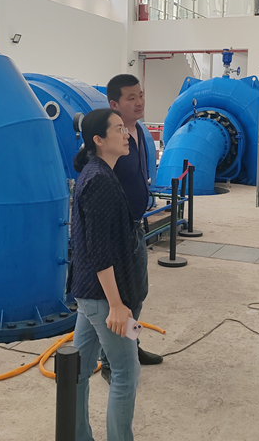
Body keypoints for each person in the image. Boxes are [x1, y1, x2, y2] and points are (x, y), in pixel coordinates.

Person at [70, 108, 149, 441]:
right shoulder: (99, 180)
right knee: (126, 372)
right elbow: (100, 249)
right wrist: (117, 305)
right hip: (104, 297)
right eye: (118, 129)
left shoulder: (98, 172)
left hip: (91, 295)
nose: (126, 134)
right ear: (99, 140)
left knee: (77, 371)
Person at [102, 74, 162, 383]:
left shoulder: (138, 131)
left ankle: (131, 346)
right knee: (120, 298)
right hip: (118, 232)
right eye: (131, 98)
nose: (139, 102)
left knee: (138, 293)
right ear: (114, 104)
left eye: (140, 95)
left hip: (136, 227)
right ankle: (111, 360)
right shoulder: (110, 138)